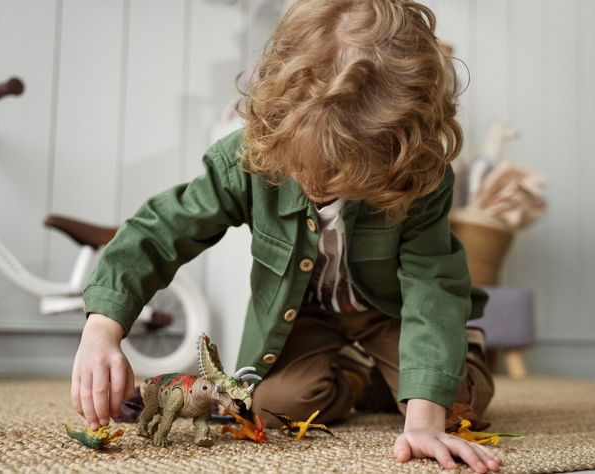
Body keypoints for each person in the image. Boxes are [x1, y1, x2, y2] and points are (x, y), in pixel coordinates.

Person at [71, 0, 499, 471]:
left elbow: (430, 285)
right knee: (276, 407)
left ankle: (441, 359)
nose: (318, 186)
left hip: (390, 311)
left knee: (455, 402)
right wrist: (102, 332)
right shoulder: (246, 159)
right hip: (302, 314)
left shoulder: (421, 176)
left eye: (341, 173)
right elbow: (159, 231)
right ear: (276, 114)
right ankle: (360, 381)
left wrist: (422, 420)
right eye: (307, 164)